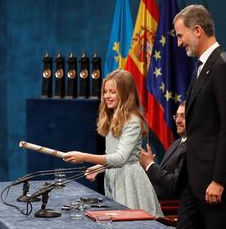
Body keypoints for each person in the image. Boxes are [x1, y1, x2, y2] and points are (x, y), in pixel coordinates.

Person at [173, 5, 226, 229]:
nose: (179, 43)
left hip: (216, 187)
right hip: (194, 182)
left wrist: (218, 181)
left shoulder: (225, 67)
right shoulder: (201, 68)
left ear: (197, 30)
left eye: (180, 36)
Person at [62, 69, 163, 216]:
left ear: (125, 94)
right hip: (114, 178)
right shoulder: (113, 118)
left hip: (129, 183)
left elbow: (121, 158)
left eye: (112, 92)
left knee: (132, 225)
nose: (106, 96)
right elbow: (113, 155)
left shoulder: (133, 121)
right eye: (105, 91)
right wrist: (99, 167)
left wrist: (84, 157)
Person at [139, 102, 187, 201]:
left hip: (170, 207)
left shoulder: (191, 147)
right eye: (176, 116)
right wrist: (146, 167)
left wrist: (150, 165)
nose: (178, 121)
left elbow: (175, 183)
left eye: (183, 116)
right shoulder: (177, 143)